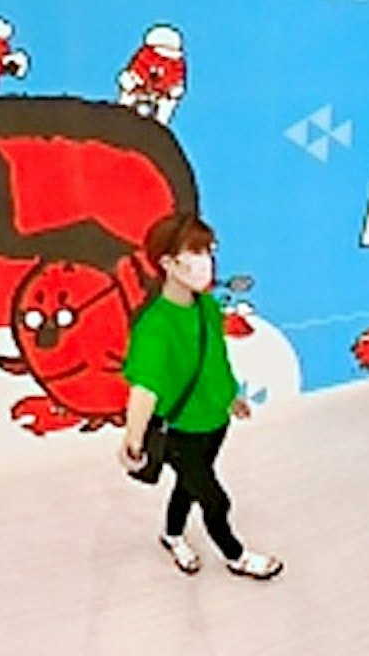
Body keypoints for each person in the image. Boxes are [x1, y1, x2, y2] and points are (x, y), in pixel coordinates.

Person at [120, 214, 280, 582]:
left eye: (209, 250)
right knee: (215, 500)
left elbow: (216, 359)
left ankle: (172, 534)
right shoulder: (154, 328)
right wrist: (133, 437)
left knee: (188, 485)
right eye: (194, 252)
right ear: (167, 263)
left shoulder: (206, 307)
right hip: (180, 432)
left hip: (215, 421)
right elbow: (144, 387)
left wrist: (230, 396)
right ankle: (236, 556)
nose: (206, 260)